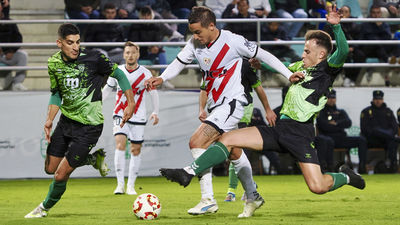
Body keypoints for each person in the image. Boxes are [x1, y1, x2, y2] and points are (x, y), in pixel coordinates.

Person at [159, 5, 367, 217]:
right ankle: (190, 173)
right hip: (279, 128)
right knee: (228, 139)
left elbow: (341, 50)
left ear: (321, 54)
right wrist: (261, 65)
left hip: (300, 134)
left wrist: (336, 28)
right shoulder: (299, 68)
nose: (302, 54)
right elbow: (279, 64)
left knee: (318, 186)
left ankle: (346, 176)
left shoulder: (328, 69)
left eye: (307, 51)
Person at [145, 6, 294, 218]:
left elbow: (265, 55)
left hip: (233, 102)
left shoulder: (232, 41)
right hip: (217, 104)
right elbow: (178, 63)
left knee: (197, 142)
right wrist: (162, 78)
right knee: (234, 152)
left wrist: (288, 74)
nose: (195, 36)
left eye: (198, 32)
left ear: (212, 26)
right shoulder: (194, 44)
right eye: (193, 32)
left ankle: (207, 200)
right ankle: (253, 196)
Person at [24, 23, 135, 218]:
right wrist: (49, 119)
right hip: (66, 122)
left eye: (77, 42)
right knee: (50, 169)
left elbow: (119, 74)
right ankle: (92, 158)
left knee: (61, 174)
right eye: (70, 43)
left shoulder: (94, 59)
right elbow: (57, 93)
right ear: (59, 43)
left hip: (90, 126)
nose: (75, 47)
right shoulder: (53, 64)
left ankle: (43, 208)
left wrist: (130, 102)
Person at [102, 41, 160, 195]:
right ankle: (120, 185)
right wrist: (96, 104)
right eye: (127, 52)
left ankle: (131, 186)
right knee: (120, 144)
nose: (130, 55)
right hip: (119, 113)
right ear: (123, 54)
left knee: (135, 149)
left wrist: (155, 111)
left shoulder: (146, 74)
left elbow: (153, 93)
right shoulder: (117, 71)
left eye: (133, 52)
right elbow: (107, 89)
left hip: (138, 115)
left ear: (138, 54)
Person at [224, 60, 278, 202]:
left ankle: (232, 191)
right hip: (224, 110)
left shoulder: (244, 65)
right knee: (233, 150)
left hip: (242, 111)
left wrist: (268, 109)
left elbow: (259, 88)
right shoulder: (220, 62)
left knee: (234, 149)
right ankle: (250, 186)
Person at [316, 89, 368, 173]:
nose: (331, 100)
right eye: (329, 98)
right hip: (328, 138)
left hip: (341, 138)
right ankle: (328, 167)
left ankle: (362, 166)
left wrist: (335, 123)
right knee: (327, 141)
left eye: (333, 98)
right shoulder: (321, 112)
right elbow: (324, 126)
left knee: (361, 140)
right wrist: (339, 126)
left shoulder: (341, 112)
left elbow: (348, 123)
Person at [323, 5, 364, 87]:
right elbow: (327, 36)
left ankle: (352, 78)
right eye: (342, 12)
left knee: (361, 55)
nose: (344, 14)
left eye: (346, 12)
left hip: (352, 47)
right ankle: (347, 78)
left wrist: (353, 47)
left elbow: (359, 38)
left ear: (350, 14)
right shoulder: (333, 23)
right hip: (337, 48)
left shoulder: (355, 25)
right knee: (344, 55)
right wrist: (333, 24)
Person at [360, 90, 398, 173]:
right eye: (376, 99)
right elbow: (365, 129)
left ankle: (393, 165)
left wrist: (382, 132)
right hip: (372, 140)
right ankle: (362, 166)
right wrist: (379, 132)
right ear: (373, 99)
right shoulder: (366, 112)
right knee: (362, 140)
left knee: (393, 141)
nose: (378, 101)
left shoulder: (388, 112)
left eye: (380, 99)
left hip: (386, 140)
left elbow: (394, 128)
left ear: (383, 99)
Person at [0, 1, 28, 91]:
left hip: (7, 55)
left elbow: (18, 38)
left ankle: (17, 83)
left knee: (23, 55)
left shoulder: (10, 22)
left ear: (1, 8)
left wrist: (12, 51)